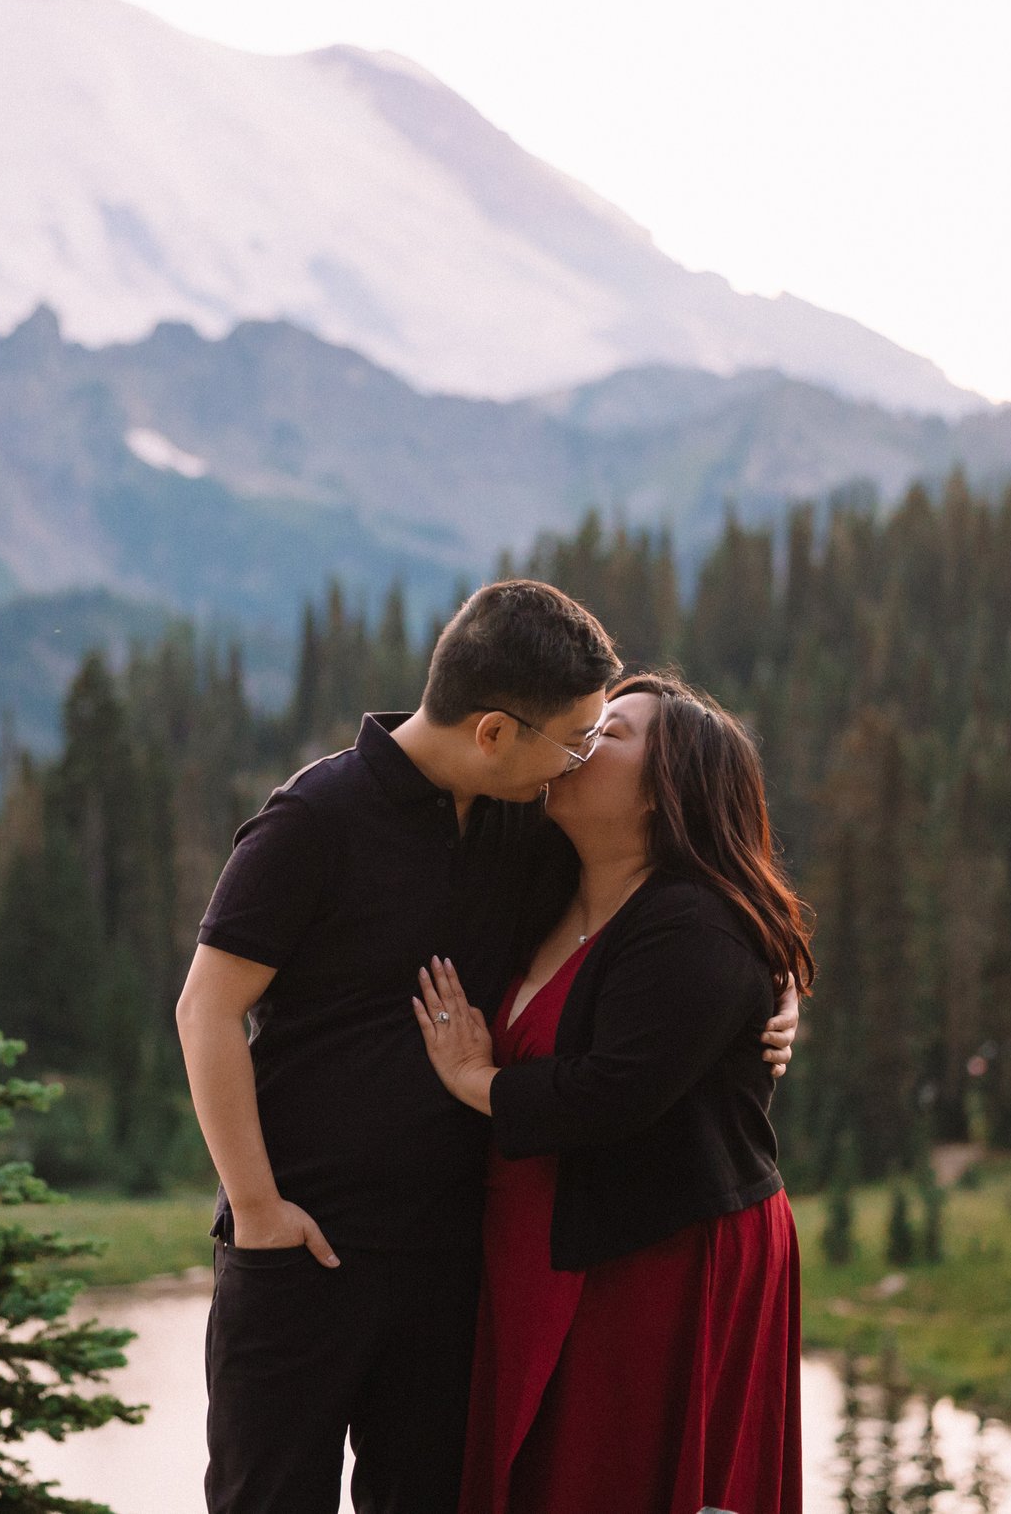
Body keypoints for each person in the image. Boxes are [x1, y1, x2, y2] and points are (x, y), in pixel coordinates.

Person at [175, 584, 798, 1514]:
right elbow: (204, 1009)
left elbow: (679, 904)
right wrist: (259, 1212)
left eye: (600, 739)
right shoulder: (317, 817)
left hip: (449, 1260)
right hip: (305, 1245)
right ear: (497, 733)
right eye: (572, 738)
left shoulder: (520, 827)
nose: (578, 760)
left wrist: (778, 991)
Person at [414, 672, 812, 1514]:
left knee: (615, 1478)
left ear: (669, 790)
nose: (579, 742)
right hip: (546, 1235)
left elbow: (610, 1093)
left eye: (611, 734)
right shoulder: (543, 883)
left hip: (658, 1252)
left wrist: (474, 1078)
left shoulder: (698, 923)